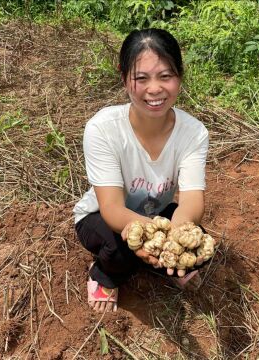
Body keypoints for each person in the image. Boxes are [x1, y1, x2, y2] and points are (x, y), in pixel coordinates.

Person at [73, 28, 209, 312]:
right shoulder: (103, 128)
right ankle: (104, 275)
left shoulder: (194, 133)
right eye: (141, 78)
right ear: (125, 79)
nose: (155, 89)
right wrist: (152, 237)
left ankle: (160, 264)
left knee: (198, 245)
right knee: (120, 250)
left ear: (179, 77)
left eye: (165, 76)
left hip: (154, 214)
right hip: (101, 217)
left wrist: (174, 241)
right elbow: (112, 208)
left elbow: (192, 202)